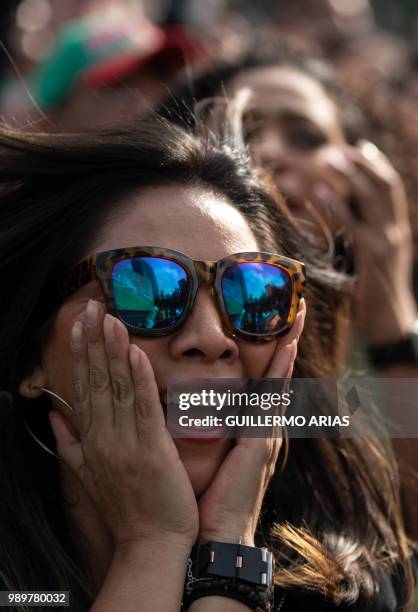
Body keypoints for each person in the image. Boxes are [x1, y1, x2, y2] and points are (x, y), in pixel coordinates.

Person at [0, 116, 414, 611]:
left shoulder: (339, 590)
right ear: (31, 355)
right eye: (146, 287)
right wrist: (153, 544)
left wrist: (225, 547)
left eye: (253, 294)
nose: (213, 339)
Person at [158, 42, 418, 535]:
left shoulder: (380, 346)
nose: (271, 153)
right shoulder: (166, 308)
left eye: (305, 136)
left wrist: (394, 318)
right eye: (245, 129)